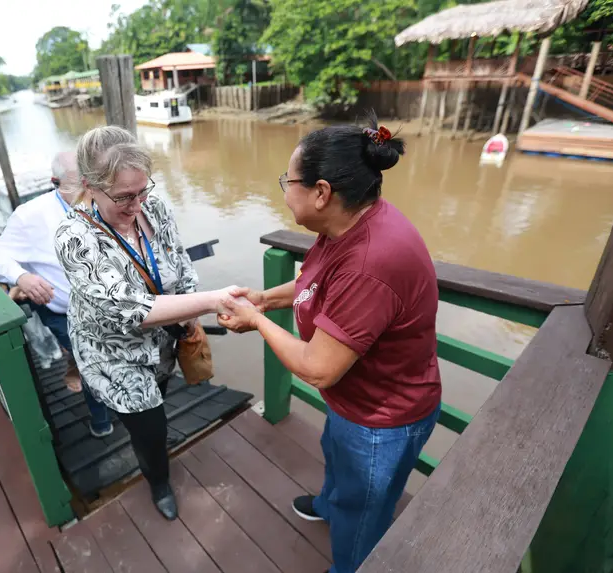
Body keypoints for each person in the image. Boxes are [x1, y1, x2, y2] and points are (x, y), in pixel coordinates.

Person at [218, 116, 441, 573]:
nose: (284, 192)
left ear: (321, 192)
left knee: (362, 516)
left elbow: (318, 368)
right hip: (353, 400)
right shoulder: (346, 224)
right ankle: (329, 503)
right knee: (338, 463)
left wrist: (257, 320)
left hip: (383, 417)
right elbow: (314, 284)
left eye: (288, 182)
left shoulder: (371, 261)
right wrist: (265, 299)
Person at [54, 126, 238, 520]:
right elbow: (126, 308)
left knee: (160, 397)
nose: (136, 204)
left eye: (142, 191)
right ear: (89, 186)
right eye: (123, 196)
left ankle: (154, 445)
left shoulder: (154, 208)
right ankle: (159, 482)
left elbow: (181, 263)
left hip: (164, 341)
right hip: (114, 352)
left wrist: (190, 311)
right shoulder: (74, 236)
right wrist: (212, 301)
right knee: (148, 428)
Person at [0, 151, 113, 438]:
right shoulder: (30, 216)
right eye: (79, 183)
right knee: (91, 362)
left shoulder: (103, 201)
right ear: (56, 182)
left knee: (110, 356)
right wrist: (22, 277)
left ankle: (110, 392)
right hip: (63, 311)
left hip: (106, 304)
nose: (88, 189)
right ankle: (101, 420)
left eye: (92, 181)